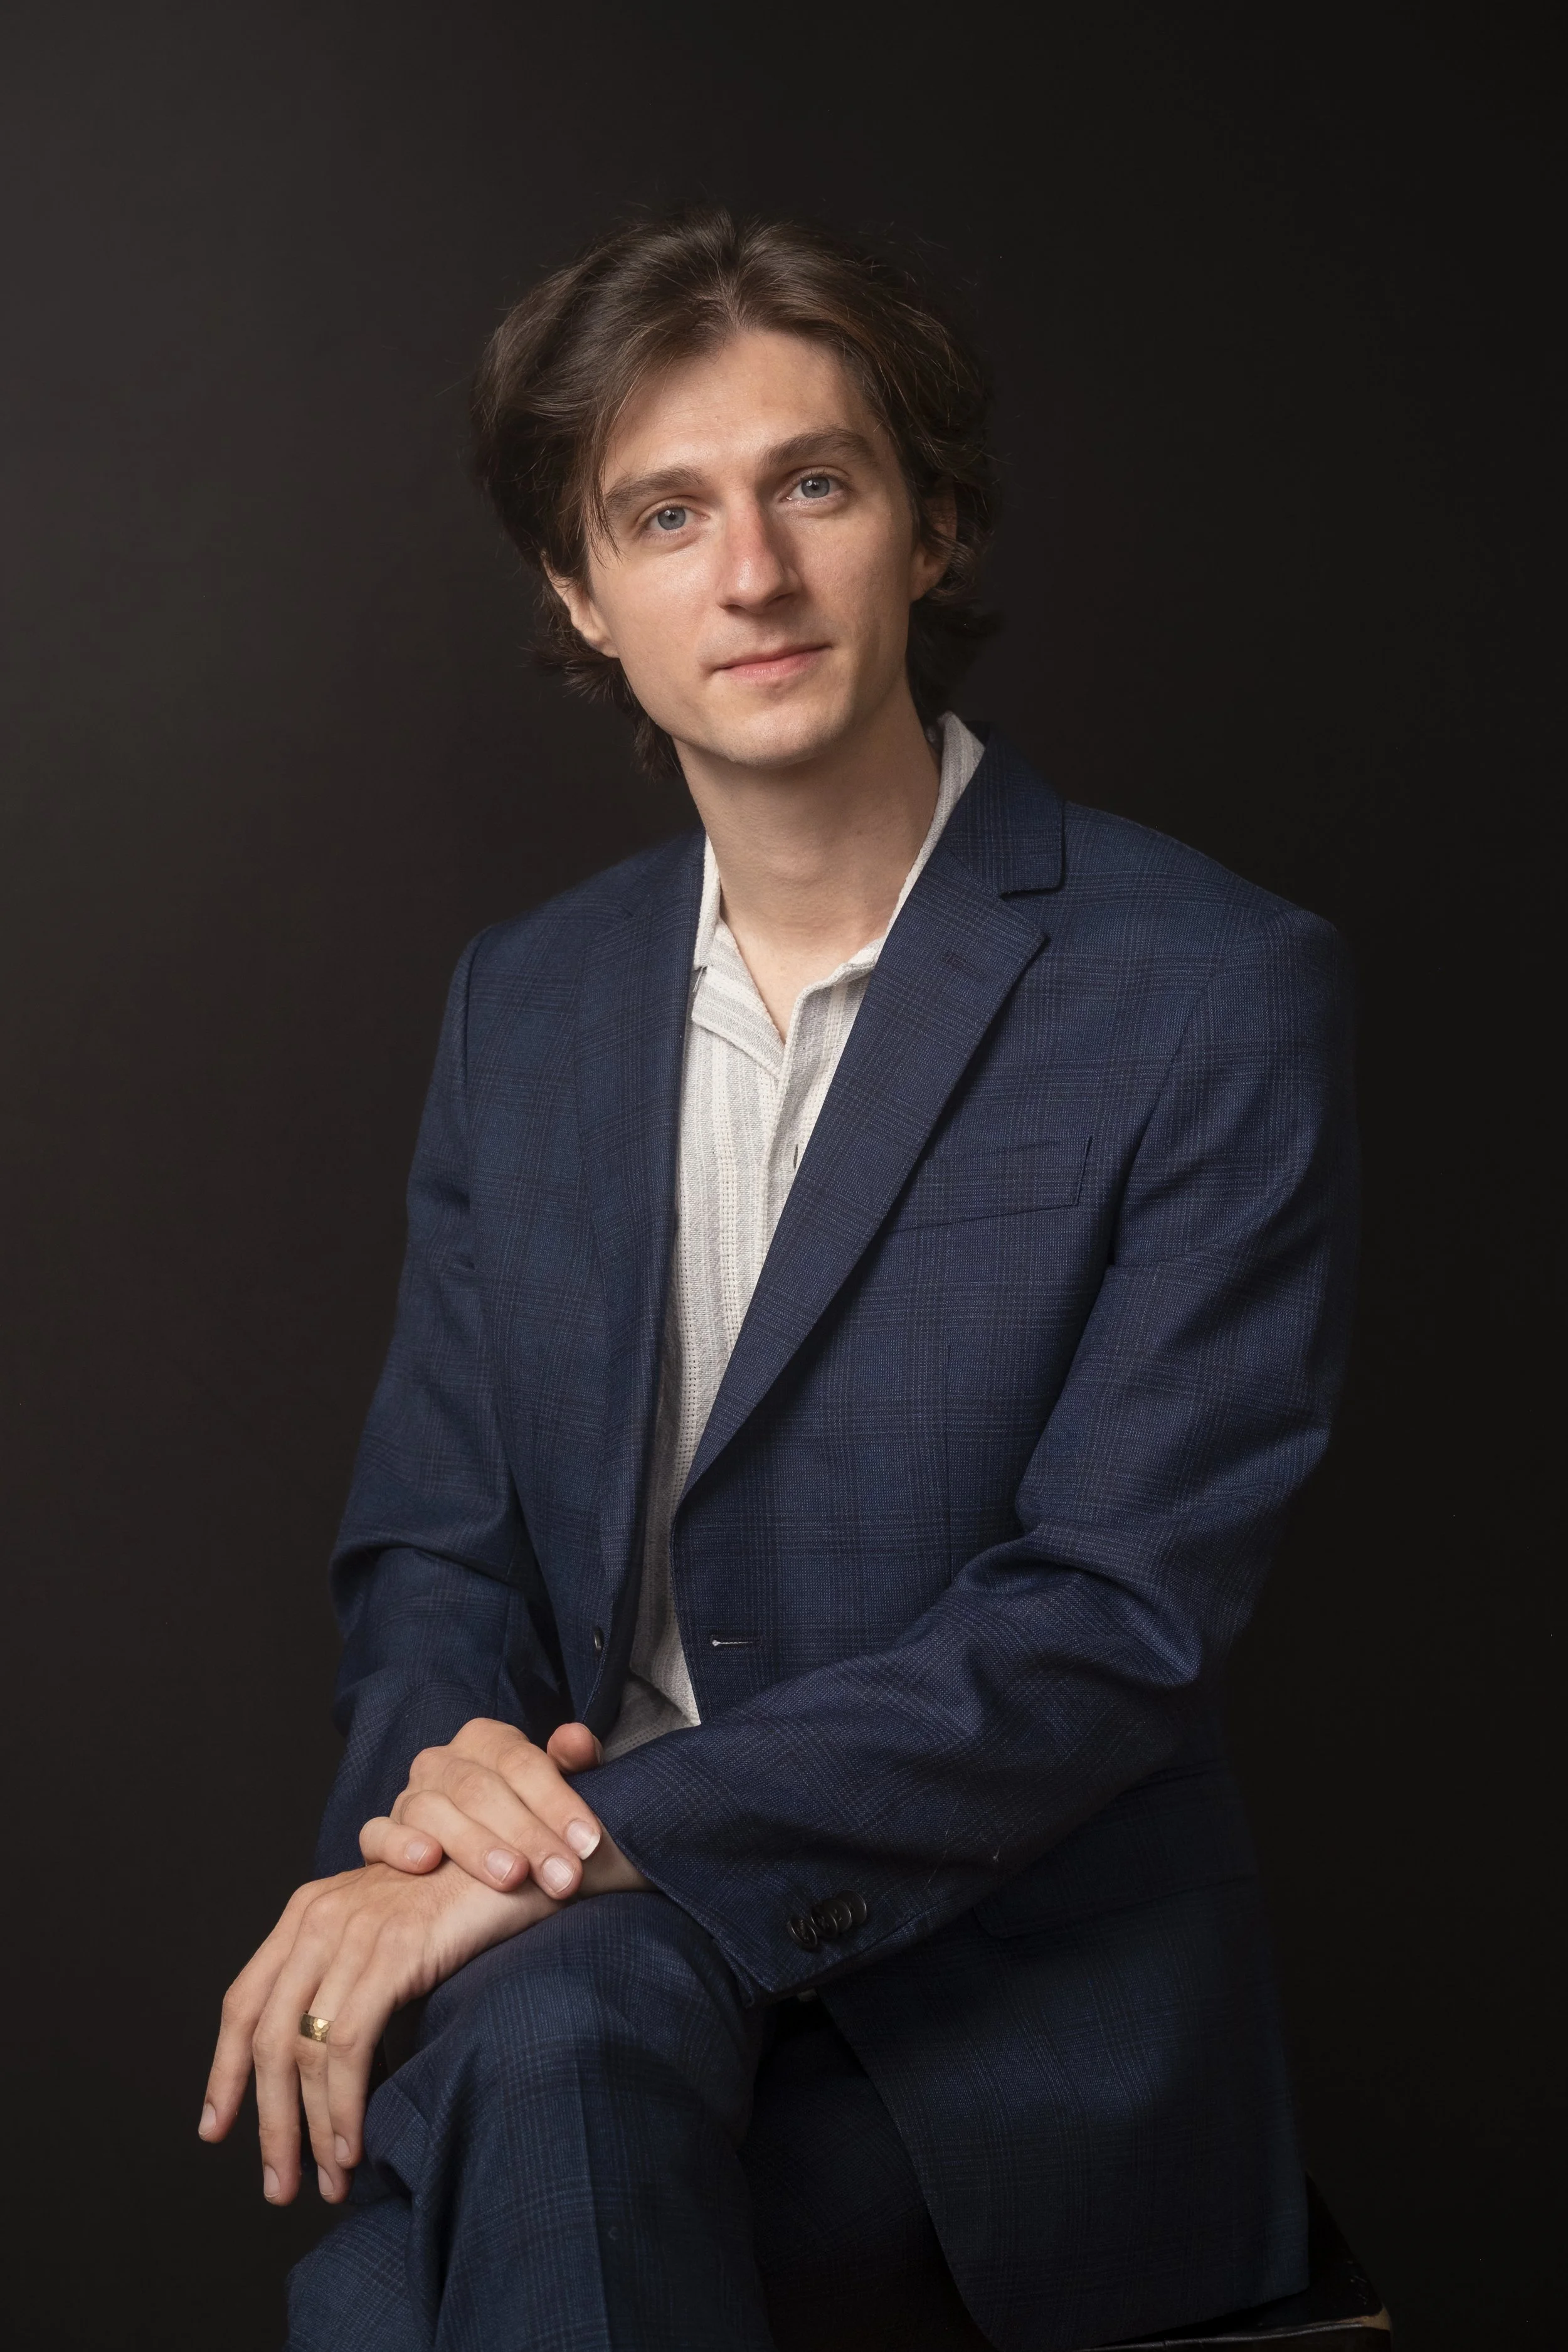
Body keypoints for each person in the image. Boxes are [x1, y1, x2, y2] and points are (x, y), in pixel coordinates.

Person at [200, 210, 1358, 2352]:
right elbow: (434, 1545)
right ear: (581, 594)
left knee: (398, 2275)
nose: (750, 573)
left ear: (927, 526)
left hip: (986, 2021)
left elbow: (1108, 1625)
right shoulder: (525, 1004)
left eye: (812, 483)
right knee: (523, 2098)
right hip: (579, 1967)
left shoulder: (1205, 989)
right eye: (665, 513)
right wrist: (447, 1779)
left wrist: (555, 1851)